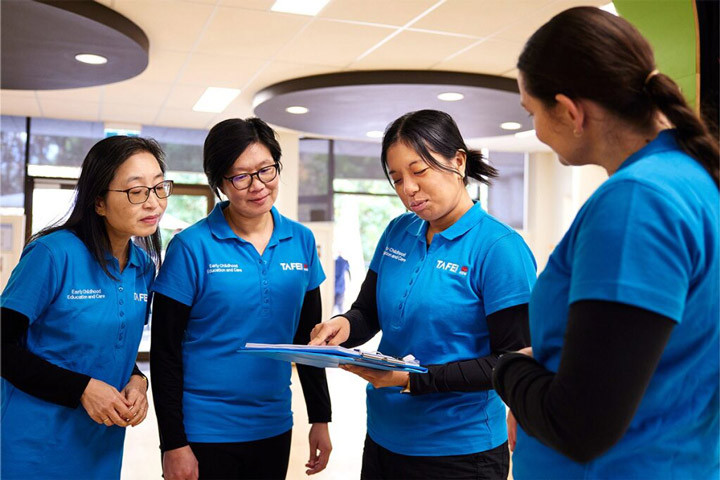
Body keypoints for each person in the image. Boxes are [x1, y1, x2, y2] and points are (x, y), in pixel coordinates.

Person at [492, 6, 719, 479]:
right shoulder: (690, 178)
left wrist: (509, 371)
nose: (534, 127)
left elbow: (580, 425)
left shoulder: (637, 202)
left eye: (532, 112)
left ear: (571, 111)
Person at [310, 109, 537, 479]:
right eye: (396, 178)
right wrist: (342, 326)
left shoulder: (500, 248)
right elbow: (368, 312)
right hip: (384, 438)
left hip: (460, 453)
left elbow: (510, 362)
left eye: (419, 171)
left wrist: (411, 379)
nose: (408, 189)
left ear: (458, 162)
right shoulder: (398, 232)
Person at [151, 117, 332, 480]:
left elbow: (309, 341)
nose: (258, 186)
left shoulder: (302, 241)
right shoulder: (191, 246)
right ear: (220, 182)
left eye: (266, 170)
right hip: (204, 429)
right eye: (241, 176)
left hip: (274, 423)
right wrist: (172, 442)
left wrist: (320, 418)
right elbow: (165, 351)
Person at [0, 135, 172, 479]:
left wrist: (138, 381)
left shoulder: (142, 266)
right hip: (35, 446)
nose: (153, 203)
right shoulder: (53, 254)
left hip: (100, 444)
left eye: (159, 187)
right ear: (98, 202)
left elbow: (109, 348)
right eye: (136, 191)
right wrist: (80, 388)